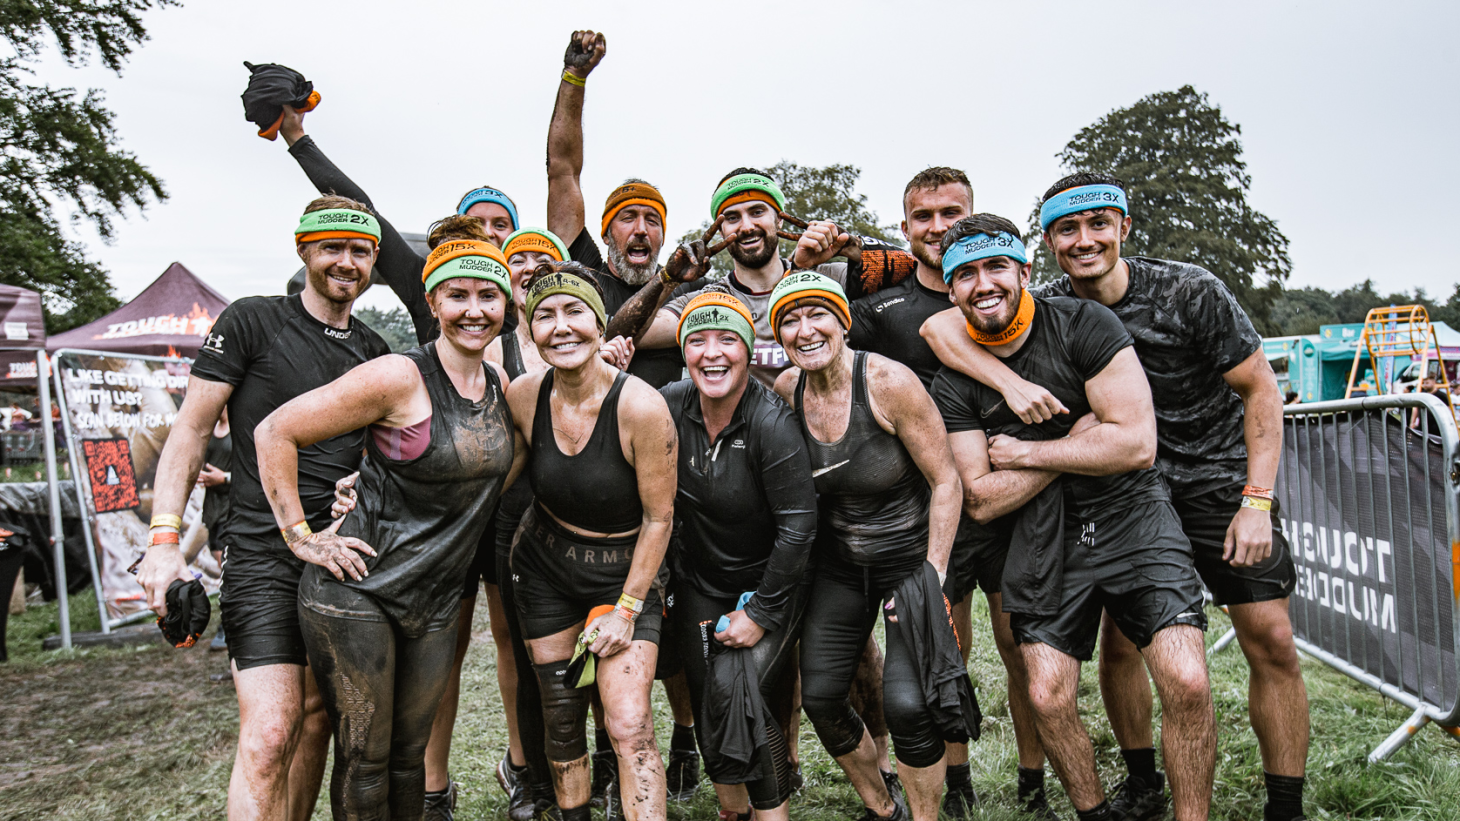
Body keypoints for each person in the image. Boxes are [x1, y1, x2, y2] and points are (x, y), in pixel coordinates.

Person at [922, 176, 1303, 821]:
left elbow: (1260, 392)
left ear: (1124, 226)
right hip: (1102, 488)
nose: (1084, 240)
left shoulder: (1188, 290)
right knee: (1123, 646)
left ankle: (1285, 805)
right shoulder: (1034, 302)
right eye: (1067, 229)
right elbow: (941, 327)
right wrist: (1011, 385)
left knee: (1266, 637)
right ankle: (1143, 782)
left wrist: (1256, 499)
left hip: (1209, 481)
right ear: (1045, 244)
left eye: (1099, 224)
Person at [276, 105, 536, 818]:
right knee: (364, 760)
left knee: (407, 755)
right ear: (432, 296)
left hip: (436, 589)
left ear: (508, 301)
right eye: (458, 293)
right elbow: (276, 429)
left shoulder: (510, 379)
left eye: (490, 293)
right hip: (362, 585)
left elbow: (508, 462)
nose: (475, 307)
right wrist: (305, 535)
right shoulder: (399, 369)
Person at [137, 196, 388, 821]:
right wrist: (163, 542)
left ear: (374, 262)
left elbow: (386, 455)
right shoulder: (253, 321)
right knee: (272, 730)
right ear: (303, 248)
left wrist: (363, 483)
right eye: (332, 247)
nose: (345, 262)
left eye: (360, 251)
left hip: (341, 559)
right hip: (262, 556)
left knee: (318, 722)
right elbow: (191, 431)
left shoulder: (379, 351)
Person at [848, 167, 1053, 819]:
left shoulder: (997, 291)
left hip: (1010, 499)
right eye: (923, 215)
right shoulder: (882, 307)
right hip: (927, 508)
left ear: (972, 214)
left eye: (950, 212)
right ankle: (956, 780)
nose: (937, 226)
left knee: (1022, 647)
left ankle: (1032, 779)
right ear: (904, 227)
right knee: (944, 647)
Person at [769, 272, 966, 821]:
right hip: (840, 565)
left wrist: (932, 576)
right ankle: (885, 809)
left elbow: (947, 481)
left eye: (817, 316)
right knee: (823, 699)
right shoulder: (788, 390)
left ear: (843, 321)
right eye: (790, 319)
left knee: (907, 704)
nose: (805, 330)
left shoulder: (888, 382)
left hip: (908, 560)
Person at [505, 261, 678, 821]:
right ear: (530, 330)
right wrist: (373, 481)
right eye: (545, 315)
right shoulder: (525, 395)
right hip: (545, 565)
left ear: (600, 323)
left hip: (624, 570)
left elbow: (659, 519)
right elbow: (485, 477)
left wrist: (627, 610)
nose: (561, 327)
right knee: (560, 713)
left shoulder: (640, 407)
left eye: (574, 311)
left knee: (627, 719)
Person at [661, 292, 817, 821]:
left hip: (772, 579)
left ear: (749, 351)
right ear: (683, 352)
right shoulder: (670, 403)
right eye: (697, 341)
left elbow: (799, 526)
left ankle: (772, 813)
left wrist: (761, 611)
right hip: (702, 577)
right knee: (708, 693)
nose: (712, 354)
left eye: (727, 339)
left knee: (739, 689)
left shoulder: (770, 421)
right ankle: (734, 810)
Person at [199, 408, 233, 652]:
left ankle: (228, 625)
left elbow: (253, 469)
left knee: (228, 570)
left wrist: (225, 478)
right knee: (224, 568)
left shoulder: (241, 428)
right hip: (212, 507)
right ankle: (229, 622)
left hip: (232, 506)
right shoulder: (208, 428)